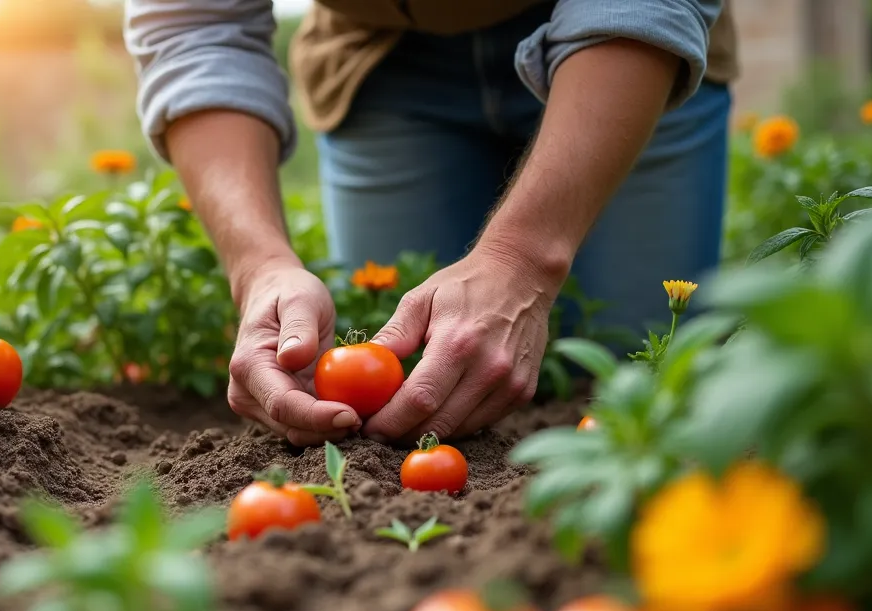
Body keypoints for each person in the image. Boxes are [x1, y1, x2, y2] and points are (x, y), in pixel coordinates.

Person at [125, 0, 737, 447]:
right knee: (415, 384)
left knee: (641, 379)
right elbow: (194, 30)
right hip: (381, 57)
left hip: (625, 43)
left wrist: (523, 259)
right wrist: (261, 268)